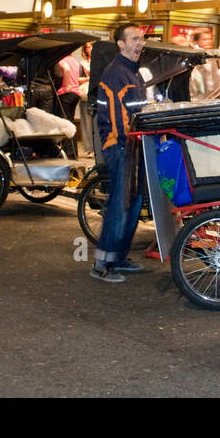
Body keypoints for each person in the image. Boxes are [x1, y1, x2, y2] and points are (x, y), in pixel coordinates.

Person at [91, 22, 148, 283]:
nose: (140, 43)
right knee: (120, 205)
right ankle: (103, 263)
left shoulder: (133, 73)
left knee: (133, 204)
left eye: (142, 38)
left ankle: (119, 257)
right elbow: (117, 119)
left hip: (133, 146)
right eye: (135, 39)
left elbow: (138, 111)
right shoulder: (116, 73)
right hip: (122, 146)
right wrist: (128, 144)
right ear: (121, 44)